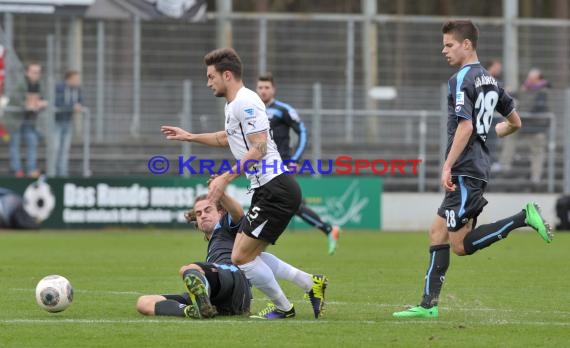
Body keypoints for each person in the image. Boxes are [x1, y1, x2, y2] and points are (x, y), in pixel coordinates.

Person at [393, 20, 553, 319]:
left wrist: (447, 165)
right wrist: (498, 129)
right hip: (476, 166)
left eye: (449, 44)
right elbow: (516, 122)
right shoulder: (491, 80)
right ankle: (428, 305)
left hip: (465, 168)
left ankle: (522, 217)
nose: (444, 50)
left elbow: (465, 126)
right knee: (437, 231)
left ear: (467, 44)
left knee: (461, 246)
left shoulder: (460, 79)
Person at [161, 48, 327, 319]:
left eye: (211, 76)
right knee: (248, 252)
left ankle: (285, 308)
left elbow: (259, 147)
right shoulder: (233, 105)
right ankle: (311, 284)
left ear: (227, 75)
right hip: (268, 189)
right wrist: (189, 136)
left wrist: (226, 177)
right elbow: (225, 138)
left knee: (240, 257)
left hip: (276, 189)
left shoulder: (246, 101)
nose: (208, 82)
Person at [136, 189, 327, 319]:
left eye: (208, 210)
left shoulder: (227, 226)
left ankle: (289, 301)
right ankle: (194, 310)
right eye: (198, 213)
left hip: (232, 277)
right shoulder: (216, 244)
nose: (203, 215)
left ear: (220, 212)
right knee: (144, 303)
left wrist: (221, 192)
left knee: (189, 269)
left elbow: (237, 213)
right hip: (219, 296)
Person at [256, 73, 341, 255]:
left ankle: (254, 245)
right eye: (260, 88)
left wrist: (295, 159)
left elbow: (302, 131)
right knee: (283, 204)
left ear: (273, 89)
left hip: (281, 164)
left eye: (266, 88)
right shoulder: (254, 110)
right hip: (262, 165)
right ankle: (328, 229)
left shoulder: (283, 110)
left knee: (284, 204)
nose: (263, 91)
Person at [494, 68, 550, 185]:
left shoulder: (543, 91)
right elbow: (516, 96)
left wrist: (523, 98)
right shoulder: (527, 89)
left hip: (537, 127)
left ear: (538, 79)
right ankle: (504, 164)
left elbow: (534, 107)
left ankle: (536, 177)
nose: (528, 80)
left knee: (537, 152)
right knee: (509, 136)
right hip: (525, 125)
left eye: (531, 79)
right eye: (528, 78)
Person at [5, 62, 48, 178]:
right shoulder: (21, 85)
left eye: (38, 72)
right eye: (33, 72)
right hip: (15, 121)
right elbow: (16, 100)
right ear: (27, 73)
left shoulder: (39, 85)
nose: (36, 74)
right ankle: (17, 169)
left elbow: (44, 99)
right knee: (15, 143)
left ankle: (31, 168)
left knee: (33, 140)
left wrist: (42, 103)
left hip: (28, 122)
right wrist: (28, 104)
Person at [54, 70, 83, 177]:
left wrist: (78, 106)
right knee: (55, 149)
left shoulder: (77, 90)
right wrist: (72, 107)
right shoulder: (59, 88)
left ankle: (62, 174)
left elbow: (80, 101)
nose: (78, 81)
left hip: (68, 122)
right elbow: (57, 103)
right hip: (56, 122)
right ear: (69, 78)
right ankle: (53, 172)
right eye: (76, 79)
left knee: (65, 150)